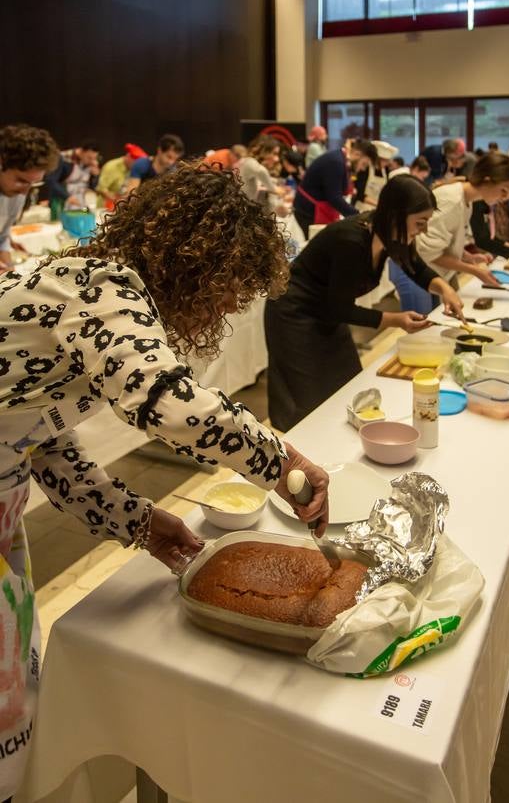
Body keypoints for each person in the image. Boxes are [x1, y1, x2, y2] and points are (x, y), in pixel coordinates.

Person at [0, 164, 328, 800]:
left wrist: (135, 520)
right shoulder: (101, 285)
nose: (228, 306)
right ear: (194, 261)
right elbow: (168, 404)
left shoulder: (82, 288)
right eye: (229, 287)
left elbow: (41, 443)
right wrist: (281, 463)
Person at [266, 175, 464, 431]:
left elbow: (415, 267)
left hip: (327, 311)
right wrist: (396, 320)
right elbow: (341, 308)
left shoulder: (390, 234)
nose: (423, 230)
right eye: (420, 222)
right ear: (396, 215)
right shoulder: (351, 240)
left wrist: (445, 289)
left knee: (348, 383)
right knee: (308, 397)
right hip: (294, 314)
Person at [416, 152, 509, 289]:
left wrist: (467, 257)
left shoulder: (467, 200)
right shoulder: (452, 201)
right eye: (503, 190)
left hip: (430, 270)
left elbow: (444, 242)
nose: (505, 197)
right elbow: (427, 251)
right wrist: (474, 270)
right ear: (487, 181)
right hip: (416, 271)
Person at [0, 124, 59, 274]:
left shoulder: (15, 192)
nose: (25, 191)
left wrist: (9, 274)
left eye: (33, 183)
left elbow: (2, 238)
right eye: (21, 180)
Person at [293, 138, 378, 238]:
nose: (363, 169)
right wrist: (359, 217)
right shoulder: (336, 162)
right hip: (308, 212)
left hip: (316, 210)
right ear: (357, 154)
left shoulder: (340, 159)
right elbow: (335, 198)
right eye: (364, 164)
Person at [44, 139, 100, 209]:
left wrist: (95, 176)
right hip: (62, 202)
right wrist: (67, 196)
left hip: (80, 203)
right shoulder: (63, 158)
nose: (92, 161)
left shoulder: (90, 163)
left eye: (94, 158)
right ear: (81, 151)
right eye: (89, 157)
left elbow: (93, 187)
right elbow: (51, 180)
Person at [238, 136, 284, 213]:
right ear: (265, 151)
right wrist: (282, 191)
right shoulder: (256, 167)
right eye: (274, 153)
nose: (277, 159)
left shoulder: (249, 162)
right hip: (245, 210)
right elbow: (272, 188)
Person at [96, 143, 147, 207]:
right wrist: (117, 200)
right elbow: (101, 189)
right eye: (137, 163)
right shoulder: (112, 167)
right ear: (129, 157)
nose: (138, 166)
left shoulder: (132, 170)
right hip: (104, 207)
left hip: (119, 207)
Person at [354, 140, 398, 209]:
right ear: (378, 159)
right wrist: (378, 204)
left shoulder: (385, 171)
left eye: (387, 161)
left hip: (377, 209)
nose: (387, 164)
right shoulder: (366, 169)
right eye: (385, 161)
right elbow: (359, 194)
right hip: (362, 208)